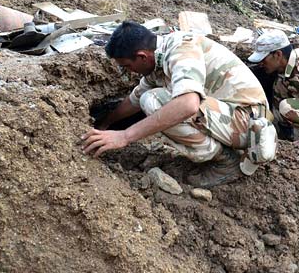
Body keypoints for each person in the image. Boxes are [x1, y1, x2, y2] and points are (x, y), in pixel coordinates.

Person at [81, 21, 276, 188]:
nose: (129, 71)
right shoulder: (156, 60)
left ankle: (226, 161)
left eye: (127, 66)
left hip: (249, 123)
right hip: (229, 116)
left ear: (142, 56)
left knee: (153, 100)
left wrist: (125, 136)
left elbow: (188, 105)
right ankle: (220, 152)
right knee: (146, 97)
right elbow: (133, 99)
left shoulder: (181, 49)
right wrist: (105, 123)